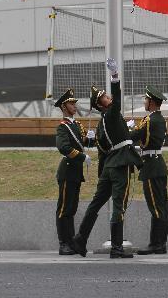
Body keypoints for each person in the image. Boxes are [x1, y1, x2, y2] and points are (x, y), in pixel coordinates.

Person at [72, 58, 142, 259]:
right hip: (120, 165)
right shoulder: (110, 114)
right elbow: (118, 97)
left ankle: (80, 239)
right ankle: (117, 248)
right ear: (100, 104)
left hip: (109, 167)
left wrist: (127, 132)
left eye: (106, 95)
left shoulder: (103, 123)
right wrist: (114, 76)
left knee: (96, 203)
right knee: (119, 204)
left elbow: (103, 148)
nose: (108, 97)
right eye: (104, 97)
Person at [128, 85, 168, 255]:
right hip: (157, 164)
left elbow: (132, 137)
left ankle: (157, 244)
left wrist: (128, 128)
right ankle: (159, 243)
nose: (144, 102)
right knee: (160, 207)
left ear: (152, 102)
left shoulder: (151, 120)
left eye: (146, 99)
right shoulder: (159, 119)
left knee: (156, 207)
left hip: (152, 166)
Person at [55, 88, 94, 255]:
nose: (74, 105)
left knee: (71, 209)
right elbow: (63, 147)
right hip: (68, 171)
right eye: (71, 103)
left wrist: (91, 138)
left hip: (76, 173)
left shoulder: (76, 124)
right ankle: (64, 242)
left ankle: (71, 242)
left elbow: (84, 142)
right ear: (64, 106)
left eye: (74, 103)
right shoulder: (63, 127)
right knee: (64, 209)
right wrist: (81, 157)